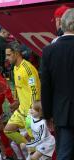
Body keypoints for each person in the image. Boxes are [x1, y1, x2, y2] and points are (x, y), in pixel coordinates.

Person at [41, 8, 74, 160]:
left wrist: (47, 115)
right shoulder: (49, 50)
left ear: (62, 25)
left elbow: (46, 87)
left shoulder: (49, 51)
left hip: (63, 113)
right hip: (62, 113)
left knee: (64, 154)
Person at [4, 41, 41, 149]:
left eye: (9, 55)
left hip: (30, 113)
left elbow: (35, 92)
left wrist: (33, 112)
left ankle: (32, 149)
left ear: (16, 53)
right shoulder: (15, 68)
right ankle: (29, 148)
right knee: (8, 130)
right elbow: (19, 88)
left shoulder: (28, 69)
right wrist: (17, 101)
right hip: (21, 110)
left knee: (36, 146)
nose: (7, 58)